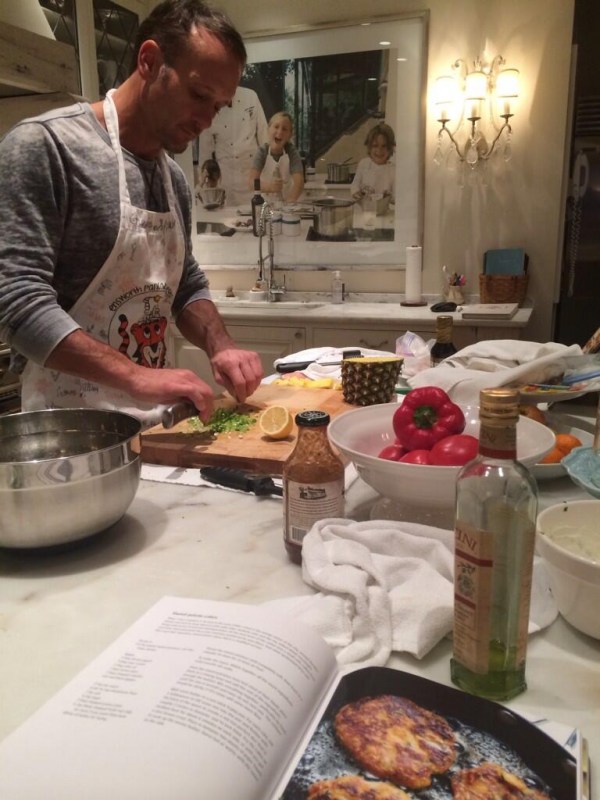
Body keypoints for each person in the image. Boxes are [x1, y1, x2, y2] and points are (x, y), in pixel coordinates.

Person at [0, 0, 263, 426]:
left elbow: (185, 284)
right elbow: (18, 303)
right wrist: (137, 376)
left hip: (156, 426)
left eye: (218, 106)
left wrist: (221, 344)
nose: (206, 120)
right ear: (150, 61)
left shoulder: (173, 179)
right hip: (72, 434)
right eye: (199, 95)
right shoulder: (47, 149)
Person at [197, 84, 268, 206]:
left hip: (252, 174)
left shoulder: (251, 96)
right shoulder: (208, 106)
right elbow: (205, 152)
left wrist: (269, 174)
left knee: (255, 213)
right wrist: (203, 182)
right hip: (226, 179)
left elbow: (264, 137)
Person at [249, 111, 305, 203]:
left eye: (284, 129)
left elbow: (299, 182)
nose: (279, 132)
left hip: (288, 203)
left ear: (290, 135)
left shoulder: (292, 152)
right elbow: (251, 182)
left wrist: (290, 201)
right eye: (276, 127)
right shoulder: (262, 152)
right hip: (265, 204)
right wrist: (269, 187)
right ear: (268, 129)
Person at [350, 122, 396, 201]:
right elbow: (354, 185)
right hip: (364, 207)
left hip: (383, 208)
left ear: (390, 148)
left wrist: (389, 197)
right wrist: (356, 193)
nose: (379, 150)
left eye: (384, 146)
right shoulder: (364, 164)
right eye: (375, 146)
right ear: (369, 147)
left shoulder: (393, 170)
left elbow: (396, 198)